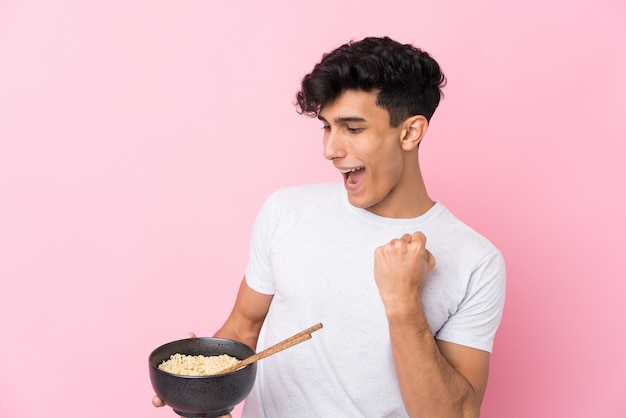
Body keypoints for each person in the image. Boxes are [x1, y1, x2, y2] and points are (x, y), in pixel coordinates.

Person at [153, 36, 505, 417]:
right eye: (327, 127)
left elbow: (456, 415)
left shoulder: (476, 261)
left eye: (353, 129)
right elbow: (243, 328)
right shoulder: (286, 211)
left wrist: (404, 305)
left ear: (409, 132)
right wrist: (197, 387)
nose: (330, 149)